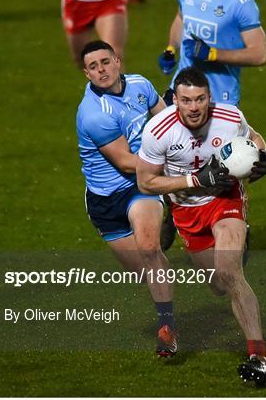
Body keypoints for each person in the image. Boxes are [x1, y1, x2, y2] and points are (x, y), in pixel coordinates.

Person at [136, 67, 266, 387]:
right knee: (218, 286)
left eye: (200, 99)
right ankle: (239, 246)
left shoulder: (228, 116)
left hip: (225, 199)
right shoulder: (159, 130)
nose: (194, 107)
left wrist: (263, 155)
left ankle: (258, 358)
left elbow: (253, 136)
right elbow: (145, 181)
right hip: (186, 210)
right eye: (186, 100)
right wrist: (193, 180)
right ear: (176, 101)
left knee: (229, 271)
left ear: (209, 98)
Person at [157, 0, 266, 249]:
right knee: (169, 154)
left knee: (227, 164)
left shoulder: (241, 3)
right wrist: (170, 48)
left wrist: (215, 54)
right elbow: (182, 18)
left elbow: (260, 53)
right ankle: (171, 210)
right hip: (183, 89)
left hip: (220, 97)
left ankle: (237, 224)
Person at [76, 39, 177, 357]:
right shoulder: (93, 113)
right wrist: (172, 171)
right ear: (86, 74)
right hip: (105, 201)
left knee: (149, 250)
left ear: (117, 60)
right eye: (93, 67)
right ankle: (169, 221)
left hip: (138, 187)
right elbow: (123, 161)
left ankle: (167, 329)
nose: (101, 70)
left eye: (105, 62)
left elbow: (166, 121)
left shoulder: (140, 85)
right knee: (146, 271)